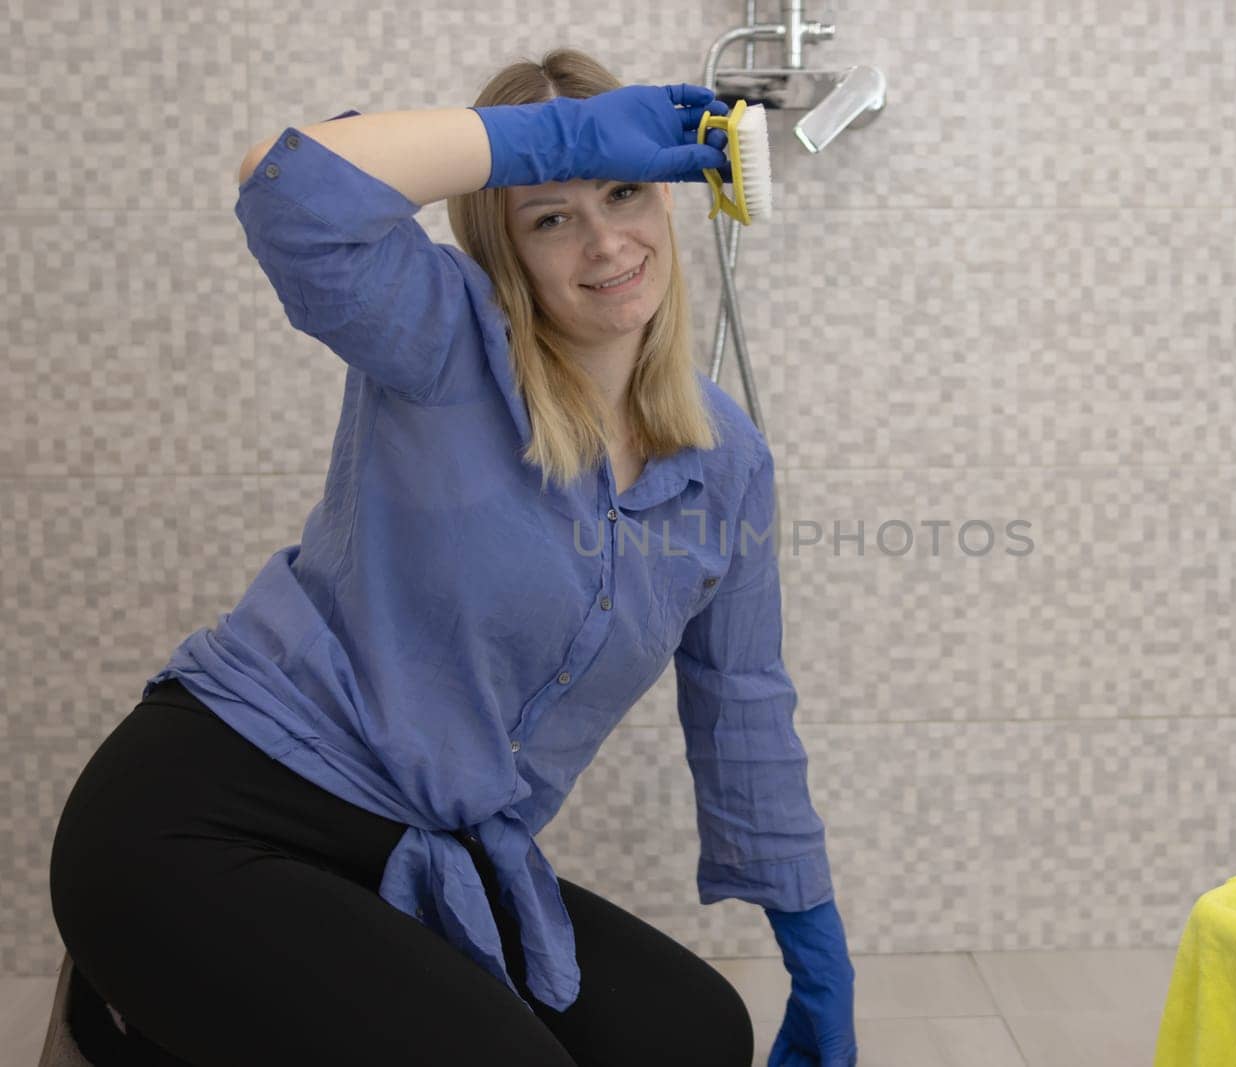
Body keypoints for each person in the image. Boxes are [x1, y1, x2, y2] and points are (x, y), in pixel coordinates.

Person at [47, 47, 858, 1067]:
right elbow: (285, 185)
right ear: (503, 246)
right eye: (550, 215)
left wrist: (814, 944)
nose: (606, 240)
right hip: (208, 816)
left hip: (412, 856)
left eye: (622, 193)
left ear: (667, 203)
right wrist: (550, 138)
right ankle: (160, 1015)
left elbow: (742, 697)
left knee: (694, 1033)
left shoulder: (725, 461)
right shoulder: (441, 338)